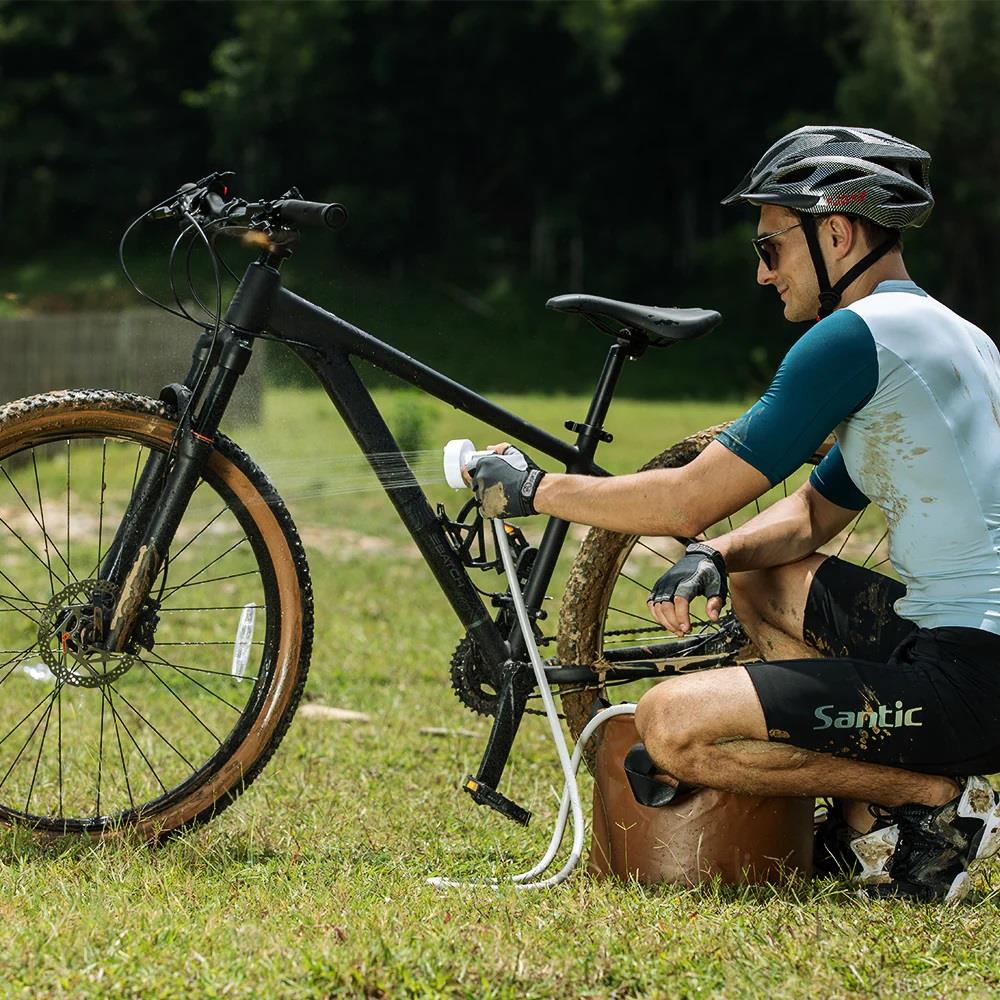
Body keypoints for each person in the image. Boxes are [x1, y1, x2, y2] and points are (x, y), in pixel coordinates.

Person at [467, 125, 1000, 903]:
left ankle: (935, 804)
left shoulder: (853, 340)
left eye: (771, 246)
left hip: (971, 679)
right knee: (757, 576)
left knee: (671, 726)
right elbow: (813, 513)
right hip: (965, 648)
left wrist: (533, 489)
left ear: (837, 234)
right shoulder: (950, 337)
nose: (762, 273)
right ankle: (869, 822)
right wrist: (716, 555)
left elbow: (688, 496)